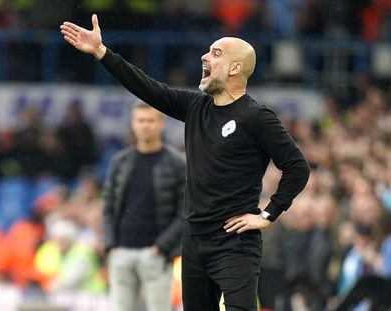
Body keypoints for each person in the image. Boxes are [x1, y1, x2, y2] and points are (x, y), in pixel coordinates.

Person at [60, 15, 310, 311]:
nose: (205, 56)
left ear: (235, 67)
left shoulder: (256, 117)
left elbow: (297, 166)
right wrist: (103, 53)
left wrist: (268, 214)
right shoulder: (195, 107)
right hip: (193, 241)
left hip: (235, 243)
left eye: (216, 53)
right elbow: (148, 88)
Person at [102, 101, 186, 311]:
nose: (145, 125)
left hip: (156, 255)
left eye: (150, 120)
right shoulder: (120, 161)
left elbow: (185, 211)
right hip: (121, 252)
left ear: (161, 124)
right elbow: (108, 207)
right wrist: (111, 246)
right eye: (140, 120)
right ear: (133, 123)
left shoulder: (177, 163)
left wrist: (161, 247)